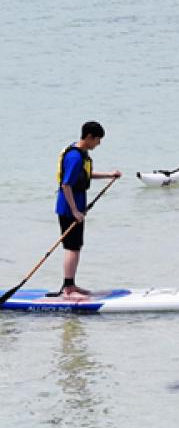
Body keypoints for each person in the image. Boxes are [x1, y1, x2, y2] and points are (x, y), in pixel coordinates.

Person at [51, 121, 122, 299]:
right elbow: (66, 184)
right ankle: (68, 288)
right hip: (69, 208)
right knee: (72, 247)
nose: (99, 144)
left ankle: (72, 284)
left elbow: (86, 175)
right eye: (98, 140)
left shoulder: (81, 154)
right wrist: (74, 210)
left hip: (76, 207)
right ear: (89, 137)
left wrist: (109, 175)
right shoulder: (75, 157)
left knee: (76, 246)